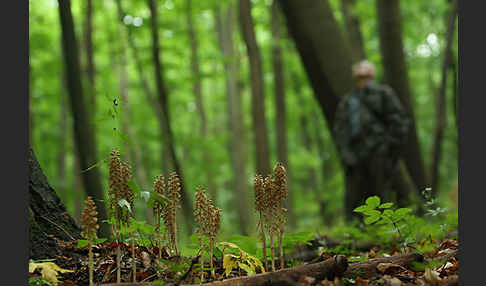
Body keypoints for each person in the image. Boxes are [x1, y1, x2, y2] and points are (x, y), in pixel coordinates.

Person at [333, 60, 410, 220]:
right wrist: (345, 153)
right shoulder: (348, 101)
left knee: (381, 192)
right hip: (355, 153)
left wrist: (388, 147)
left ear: (372, 75)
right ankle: (355, 234)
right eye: (360, 76)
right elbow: (340, 129)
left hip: (379, 151)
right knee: (354, 196)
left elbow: (399, 122)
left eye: (366, 75)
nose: (363, 79)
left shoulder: (383, 94)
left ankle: (385, 230)